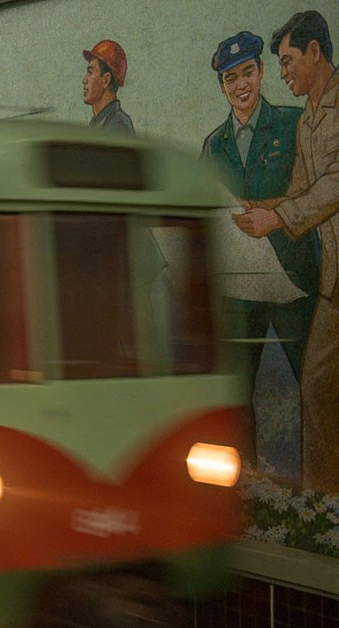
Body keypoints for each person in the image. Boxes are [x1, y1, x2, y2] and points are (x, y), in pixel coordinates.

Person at [233, 10, 338, 492]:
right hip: (332, 282)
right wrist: (255, 209)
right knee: (317, 388)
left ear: (315, 53)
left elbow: (334, 185)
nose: (282, 73)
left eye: (288, 60)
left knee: (317, 384)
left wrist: (275, 218)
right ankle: (325, 501)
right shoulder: (308, 120)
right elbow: (300, 191)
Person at [201, 31, 319, 448]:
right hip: (241, 288)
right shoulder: (214, 146)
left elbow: (313, 194)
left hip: (294, 280)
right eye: (231, 79)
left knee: (316, 389)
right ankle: (246, 487)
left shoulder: (292, 123)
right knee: (235, 397)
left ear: (262, 71)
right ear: (222, 86)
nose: (241, 86)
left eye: (247, 73)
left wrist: (263, 209)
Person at [82, 40, 135, 135]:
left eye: (90, 72)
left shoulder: (118, 124)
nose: (84, 80)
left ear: (106, 80)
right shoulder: (97, 121)